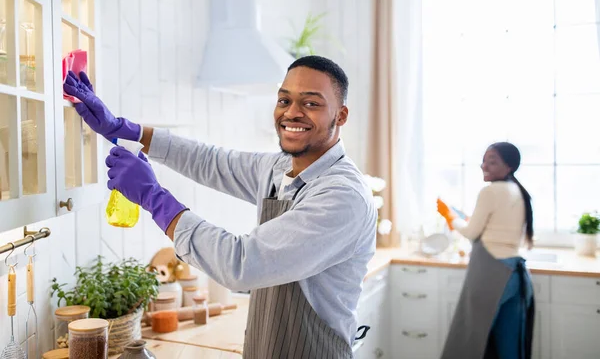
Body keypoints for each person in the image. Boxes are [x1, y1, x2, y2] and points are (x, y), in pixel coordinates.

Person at [63, 55, 377, 359]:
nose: (292, 112)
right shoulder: (281, 168)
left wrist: (154, 197)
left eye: (311, 103)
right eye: (285, 100)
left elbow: (242, 263)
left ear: (342, 115)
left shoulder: (342, 195)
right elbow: (211, 161)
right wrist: (125, 129)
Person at [436, 142, 535, 359]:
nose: (484, 166)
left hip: (491, 273)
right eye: (484, 160)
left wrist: (450, 217)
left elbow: (472, 233)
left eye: (492, 161)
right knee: (509, 346)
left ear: (509, 166)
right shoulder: (518, 190)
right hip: (515, 275)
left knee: (469, 342)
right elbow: (494, 228)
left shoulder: (490, 191)